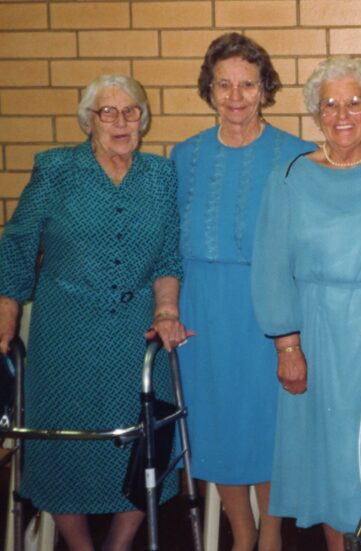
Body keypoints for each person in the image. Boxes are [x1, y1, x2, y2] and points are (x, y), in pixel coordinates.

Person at [0, 74, 189, 551]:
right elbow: (19, 242)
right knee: (61, 445)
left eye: (131, 111)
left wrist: (167, 310)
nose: (121, 121)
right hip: (66, 329)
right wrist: (6, 312)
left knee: (144, 441)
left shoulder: (160, 175)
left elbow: (168, 256)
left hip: (136, 330)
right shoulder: (56, 169)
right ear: (89, 121)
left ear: (143, 120)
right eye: (108, 112)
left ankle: (118, 545)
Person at [252, 56, 361, 551]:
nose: (342, 114)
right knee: (332, 463)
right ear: (315, 113)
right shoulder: (289, 175)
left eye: (354, 102)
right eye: (329, 104)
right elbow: (270, 266)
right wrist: (287, 346)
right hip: (319, 336)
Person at [171, 32, 314, 551]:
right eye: (224, 84)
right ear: (208, 90)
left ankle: (271, 535)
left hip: (268, 311)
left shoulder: (297, 155)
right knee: (216, 426)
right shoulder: (184, 155)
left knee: (269, 427)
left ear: (265, 89)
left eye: (248, 84)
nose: (236, 96)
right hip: (203, 311)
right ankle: (241, 532)